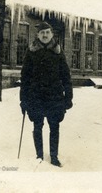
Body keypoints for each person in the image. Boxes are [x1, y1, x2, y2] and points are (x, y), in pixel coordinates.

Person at [20, 21, 73, 167]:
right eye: (42, 32)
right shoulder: (31, 52)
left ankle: (54, 157)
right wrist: (23, 100)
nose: (45, 35)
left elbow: (66, 76)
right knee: (37, 126)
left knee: (54, 126)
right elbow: (25, 78)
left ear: (52, 34)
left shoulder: (58, 52)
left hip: (54, 97)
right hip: (35, 96)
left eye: (47, 32)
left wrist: (68, 97)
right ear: (38, 35)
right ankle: (39, 156)